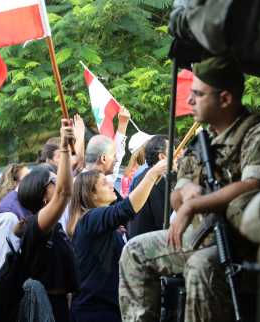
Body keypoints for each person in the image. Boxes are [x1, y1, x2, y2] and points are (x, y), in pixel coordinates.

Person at [118, 57, 260, 322]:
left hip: (252, 242)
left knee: (201, 266)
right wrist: (185, 194)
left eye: (198, 94)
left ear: (226, 98)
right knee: (135, 251)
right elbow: (176, 194)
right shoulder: (205, 142)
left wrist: (195, 204)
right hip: (207, 234)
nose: (190, 101)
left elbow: (254, 185)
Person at [66, 159, 166, 322]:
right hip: (96, 313)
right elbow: (127, 208)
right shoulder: (92, 217)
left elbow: (126, 205)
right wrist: (152, 175)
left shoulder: (97, 222)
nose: (111, 184)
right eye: (104, 183)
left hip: (104, 309)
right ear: (91, 194)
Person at [12, 119, 77, 321]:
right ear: (43, 196)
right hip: (45, 308)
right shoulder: (36, 227)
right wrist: (65, 149)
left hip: (58, 306)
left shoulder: (50, 226)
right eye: (52, 182)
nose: (58, 184)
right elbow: (65, 193)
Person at [127, 135, 169, 237]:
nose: (179, 155)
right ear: (162, 157)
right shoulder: (158, 180)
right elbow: (164, 223)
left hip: (135, 240)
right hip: (148, 245)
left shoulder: (140, 176)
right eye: (174, 150)